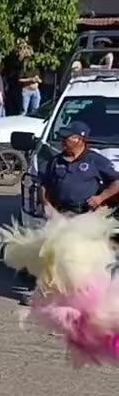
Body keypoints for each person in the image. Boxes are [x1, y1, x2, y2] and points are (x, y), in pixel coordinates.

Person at [32, 121, 119, 304]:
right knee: (55, 254)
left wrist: (100, 198)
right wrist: (47, 206)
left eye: (68, 137)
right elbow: (43, 185)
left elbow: (116, 182)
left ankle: (90, 296)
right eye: (63, 137)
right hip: (61, 215)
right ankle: (50, 294)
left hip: (86, 216)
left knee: (83, 256)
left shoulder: (95, 160)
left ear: (80, 139)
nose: (63, 140)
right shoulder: (56, 161)